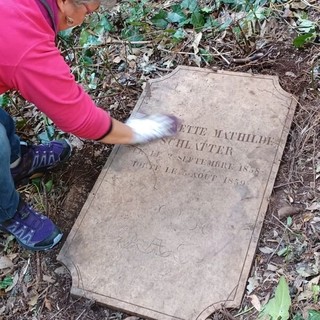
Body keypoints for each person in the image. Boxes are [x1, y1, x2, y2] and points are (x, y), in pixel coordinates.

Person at [0, 0, 178, 251]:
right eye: (90, 11)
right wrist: (137, 132)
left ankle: (16, 163)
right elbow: (80, 118)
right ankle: (7, 210)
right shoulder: (25, 45)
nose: (89, 17)